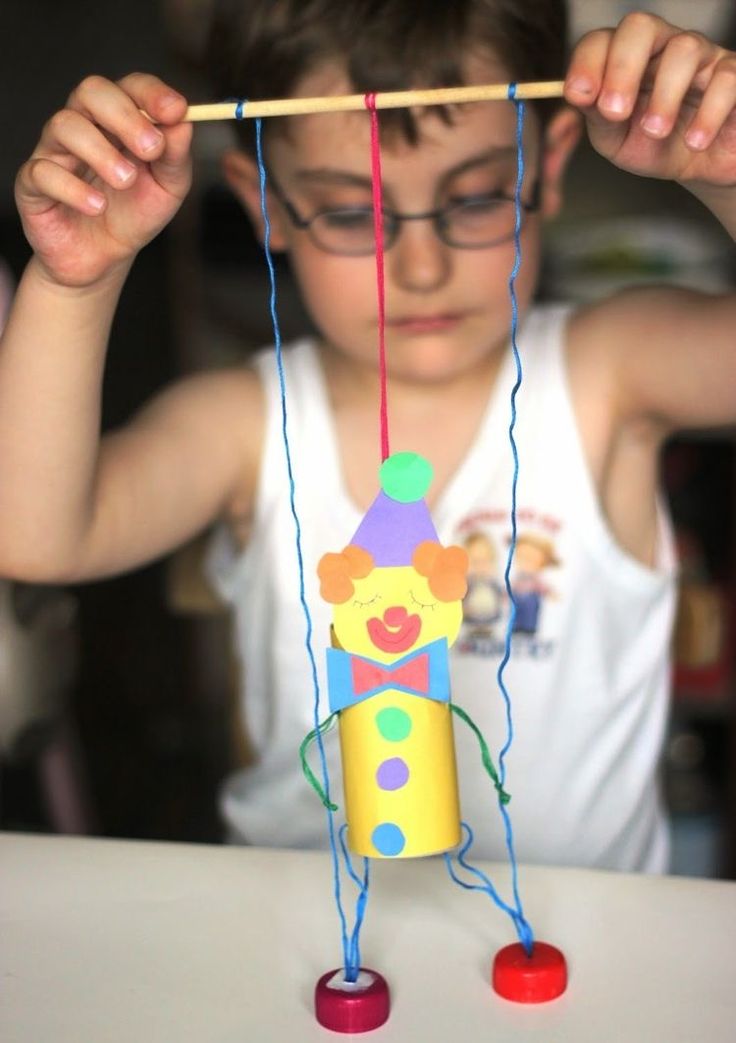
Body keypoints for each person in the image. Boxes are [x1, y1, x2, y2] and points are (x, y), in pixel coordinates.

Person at [1, 0, 734, 871]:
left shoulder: (611, 372)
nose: (420, 269)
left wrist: (723, 175)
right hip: (304, 946)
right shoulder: (242, 422)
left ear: (549, 166)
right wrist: (74, 284)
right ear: (264, 202)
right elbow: (34, 536)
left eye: (477, 196)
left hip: (586, 953)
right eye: (351, 215)